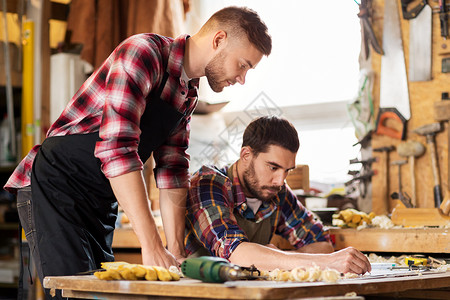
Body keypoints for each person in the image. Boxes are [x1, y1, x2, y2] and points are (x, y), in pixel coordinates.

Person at [4, 6, 271, 298]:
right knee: (70, 292)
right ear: (219, 40)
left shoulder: (188, 94)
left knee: (99, 294)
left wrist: (175, 252)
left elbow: (172, 172)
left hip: (99, 199)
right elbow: (118, 149)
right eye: (243, 65)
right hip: (55, 186)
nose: (242, 78)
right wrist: (151, 243)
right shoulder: (142, 52)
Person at [185, 116, 371, 274]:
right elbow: (236, 253)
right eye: (273, 167)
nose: (280, 181)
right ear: (246, 155)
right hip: (196, 290)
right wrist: (326, 262)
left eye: (287, 170)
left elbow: (320, 243)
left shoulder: (276, 192)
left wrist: (275, 258)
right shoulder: (209, 183)